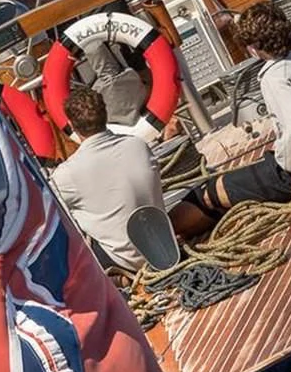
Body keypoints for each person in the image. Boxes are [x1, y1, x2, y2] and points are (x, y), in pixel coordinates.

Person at [185, 2, 291, 235]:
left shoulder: (275, 79)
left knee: (206, 193)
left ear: (254, 46)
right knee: (236, 183)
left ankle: (170, 244)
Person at [51, 87, 203, 272]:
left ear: (71, 125)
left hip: (123, 261)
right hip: (163, 243)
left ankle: (120, 280)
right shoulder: (137, 146)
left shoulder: (64, 176)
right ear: (105, 114)